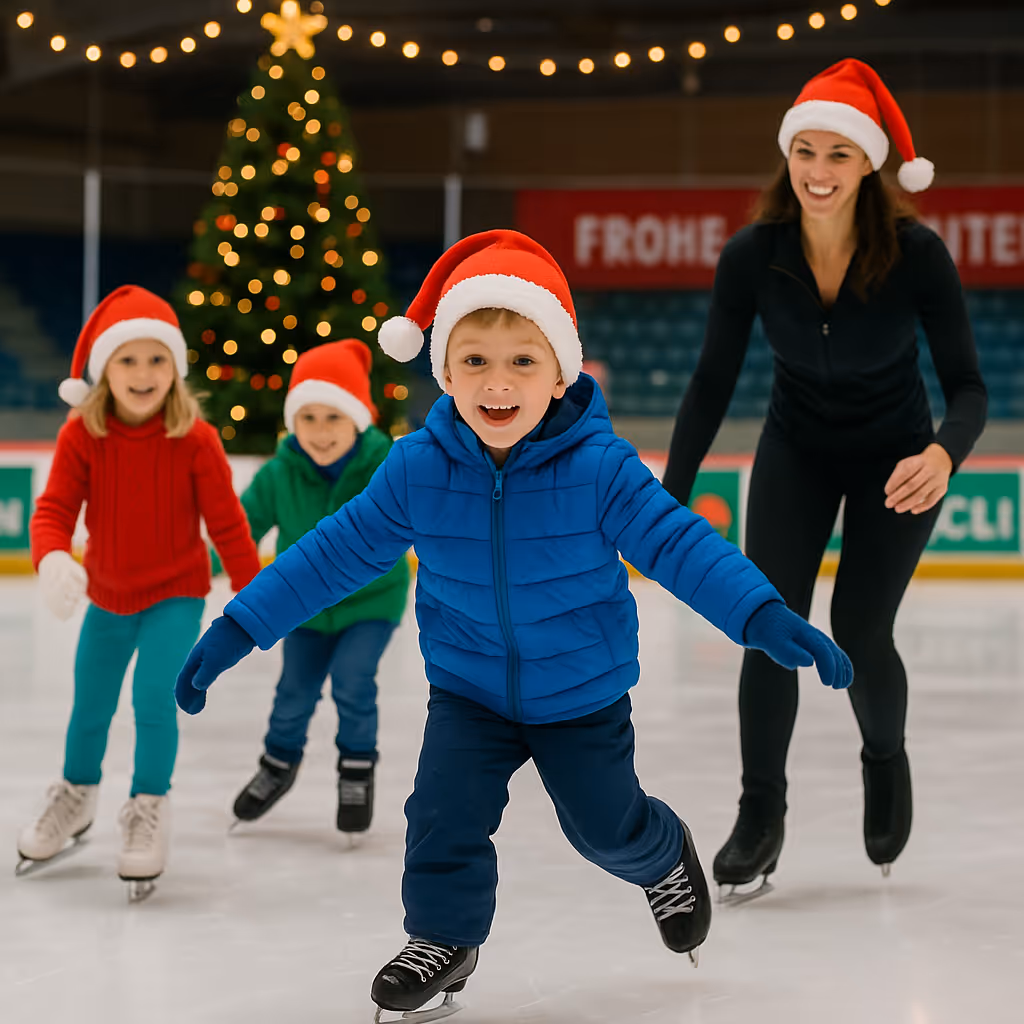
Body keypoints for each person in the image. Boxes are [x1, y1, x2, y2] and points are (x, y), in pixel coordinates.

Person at [174, 231, 852, 1020]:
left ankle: (663, 854)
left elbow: (680, 544)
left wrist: (763, 613)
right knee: (439, 813)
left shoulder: (600, 468)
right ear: (446, 372)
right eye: (475, 361)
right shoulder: (418, 468)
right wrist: (238, 627)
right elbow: (333, 553)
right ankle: (442, 938)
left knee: (604, 828)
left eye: (522, 361)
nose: (498, 383)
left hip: (581, 694)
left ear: (561, 370)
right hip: (468, 690)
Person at [661, 59, 988, 900]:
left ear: (869, 163)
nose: (817, 170)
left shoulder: (916, 255)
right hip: (796, 450)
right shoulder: (753, 257)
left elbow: (969, 386)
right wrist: (670, 490)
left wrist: (944, 453)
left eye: (838, 153)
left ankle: (884, 758)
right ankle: (759, 815)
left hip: (898, 462)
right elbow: (709, 384)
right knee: (768, 621)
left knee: (857, 624)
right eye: (804, 150)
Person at [19, 285, 260, 900]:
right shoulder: (82, 436)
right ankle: (75, 796)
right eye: (128, 360)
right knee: (90, 706)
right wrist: (49, 557)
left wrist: (256, 598)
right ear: (105, 369)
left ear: (175, 368)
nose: (144, 373)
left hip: (175, 595)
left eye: (157, 360)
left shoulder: (196, 438)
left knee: (154, 702)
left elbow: (228, 524)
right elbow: (52, 509)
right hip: (107, 597)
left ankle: (148, 807)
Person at [225, 339, 409, 833]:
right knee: (293, 690)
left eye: (334, 417)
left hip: (371, 602)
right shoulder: (278, 474)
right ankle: (278, 765)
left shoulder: (386, 468)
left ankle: (356, 767)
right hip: (302, 607)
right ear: (292, 422)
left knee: (352, 682)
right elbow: (239, 530)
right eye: (309, 418)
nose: (321, 432)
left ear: (358, 419)